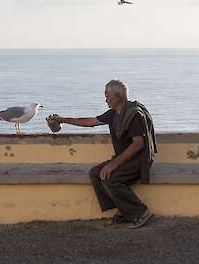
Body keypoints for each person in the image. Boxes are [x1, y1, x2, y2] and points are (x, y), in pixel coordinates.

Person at [48, 79, 156, 228]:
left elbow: (138, 144)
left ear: (117, 96)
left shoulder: (134, 114)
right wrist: (63, 120)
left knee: (111, 178)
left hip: (138, 160)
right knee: (95, 173)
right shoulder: (113, 113)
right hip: (124, 159)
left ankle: (141, 213)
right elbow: (90, 122)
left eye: (107, 96)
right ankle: (125, 210)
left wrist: (113, 164)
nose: (105, 99)